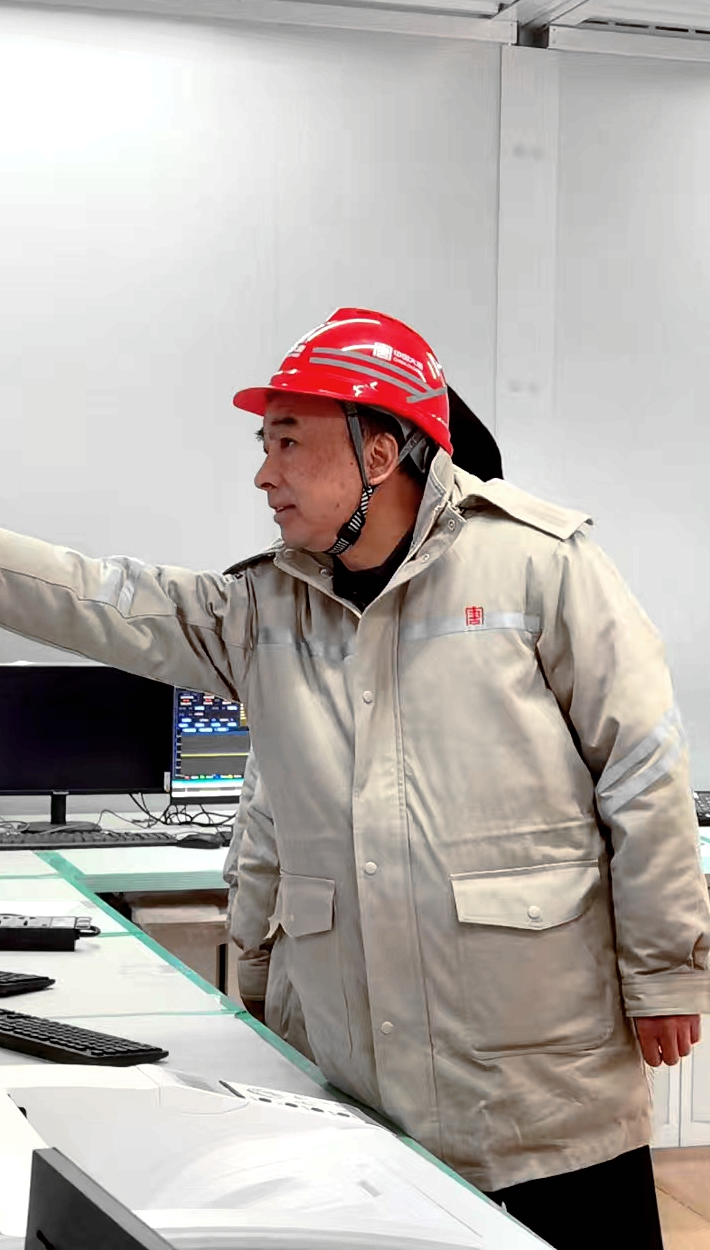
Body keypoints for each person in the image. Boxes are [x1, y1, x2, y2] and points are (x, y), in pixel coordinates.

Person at [0, 308, 710, 1248]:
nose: (264, 473)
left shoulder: (542, 567)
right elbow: (110, 600)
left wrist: (667, 972)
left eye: (288, 442)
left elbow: (643, 770)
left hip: (540, 1079)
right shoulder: (266, 604)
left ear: (380, 453)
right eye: (264, 443)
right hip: (354, 1076)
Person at [227, 388, 502, 1051]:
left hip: (451, 1009)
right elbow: (266, 824)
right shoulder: (303, 619)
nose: (267, 476)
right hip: (346, 1007)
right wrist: (257, 968)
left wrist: (254, 967)